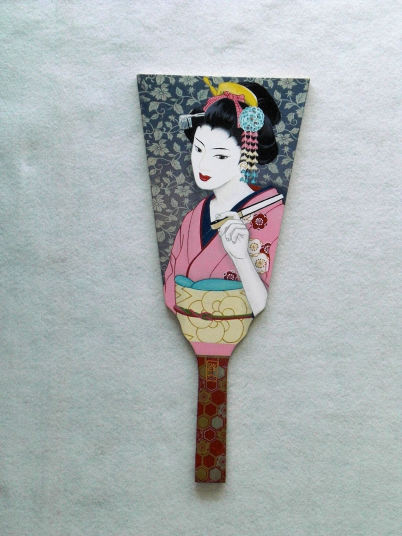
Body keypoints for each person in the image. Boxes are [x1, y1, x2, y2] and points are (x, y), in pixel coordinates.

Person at [164, 81, 284, 318]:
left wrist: (241, 257)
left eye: (219, 155)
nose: (203, 164)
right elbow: (170, 290)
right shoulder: (193, 218)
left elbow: (263, 307)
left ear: (247, 155)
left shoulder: (272, 215)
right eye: (198, 149)